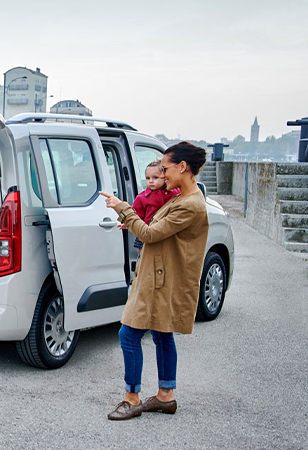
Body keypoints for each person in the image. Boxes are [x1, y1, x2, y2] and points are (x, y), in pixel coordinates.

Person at [99, 142, 209, 420]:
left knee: (129, 334)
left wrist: (122, 208)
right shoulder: (179, 198)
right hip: (162, 276)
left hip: (162, 280)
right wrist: (133, 219)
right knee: (161, 334)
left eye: (165, 168)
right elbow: (152, 226)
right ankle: (165, 396)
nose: (162, 173)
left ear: (182, 167)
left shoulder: (190, 205)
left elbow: (149, 234)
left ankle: (132, 399)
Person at [122, 160, 180, 252]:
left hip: (167, 233)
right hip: (146, 233)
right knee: (143, 257)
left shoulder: (175, 193)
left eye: (155, 177)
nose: (151, 181)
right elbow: (136, 215)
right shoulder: (142, 197)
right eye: (148, 178)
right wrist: (128, 224)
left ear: (166, 178)